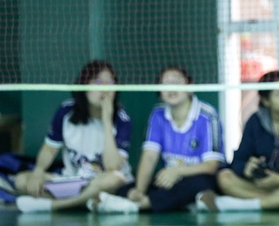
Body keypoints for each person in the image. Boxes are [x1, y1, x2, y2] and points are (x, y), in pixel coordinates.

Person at [90, 65, 225, 214]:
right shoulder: (158, 114)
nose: (171, 88)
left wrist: (177, 171)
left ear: (190, 87)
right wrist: (139, 190)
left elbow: (211, 166)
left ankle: (138, 206)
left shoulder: (208, 116)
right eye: (165, 83)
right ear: (159, 91)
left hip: (199, 177)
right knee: (126, 188)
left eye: (177, 82)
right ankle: (151, 201)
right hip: (170, 178)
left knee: (199, 184)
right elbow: (149, 157)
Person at [14, 60, 133, 213]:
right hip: (73, 180)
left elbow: (112, 167)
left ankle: (57, 205)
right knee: (21, 180)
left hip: (102, 180)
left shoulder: (122, 118)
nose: (105, 88)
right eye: (98, 82)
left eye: (110, 82)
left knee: (114, 179)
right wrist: (38, 172)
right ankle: (89, 201)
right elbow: (50, 149)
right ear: (84, 85)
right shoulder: (66, 111)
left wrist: (106, 120)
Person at [196, 70, 279, 212]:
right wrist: (246, 169)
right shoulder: (255, 121)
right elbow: (238, 160)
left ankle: (238, 205)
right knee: (224, 177)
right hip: (259, 185)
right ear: (266, 100)